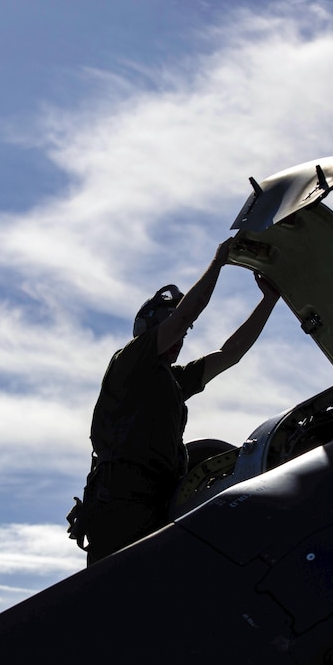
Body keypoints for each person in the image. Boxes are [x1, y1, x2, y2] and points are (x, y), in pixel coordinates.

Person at [74, 237, 280, 565]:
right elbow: (185, 317)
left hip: (158, 500)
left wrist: (269, 300)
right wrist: (218, 263)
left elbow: (231, 354)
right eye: (171, 327)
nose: (180, 338)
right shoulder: (132, 359)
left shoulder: (172, 379)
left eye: (183, 335)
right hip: (122, 505)